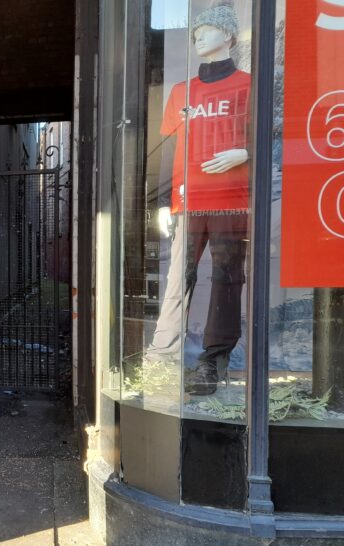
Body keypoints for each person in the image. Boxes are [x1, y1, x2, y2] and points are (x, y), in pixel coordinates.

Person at [147, 1, 250, 395]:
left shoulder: (248, 86)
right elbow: (169, 151)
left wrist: (246, 152)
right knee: (179, 276)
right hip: (188, 201)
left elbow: (269, 139)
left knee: (226, 277)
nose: (198, 38)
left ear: (228, 36)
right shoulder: (181, 92)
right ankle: (162, 355)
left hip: (231, 200)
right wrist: (162, 202)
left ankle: (212, 362)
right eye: (195, 33)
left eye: (206, 30)